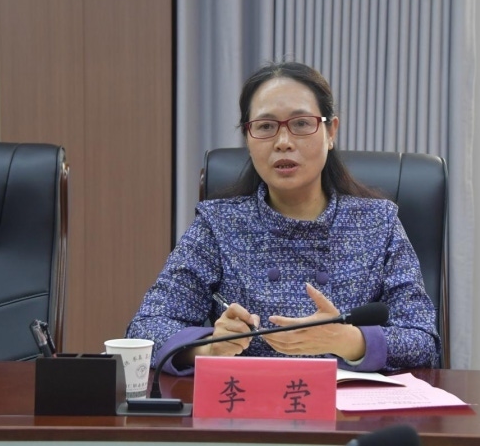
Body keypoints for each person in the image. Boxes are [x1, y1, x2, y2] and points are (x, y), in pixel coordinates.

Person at [126, 61, 440, 376]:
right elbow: (146, 327)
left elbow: (423, 340)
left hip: (349, 405)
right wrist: (209, 347)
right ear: (248, 138)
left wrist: (346, 340)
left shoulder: (378, 223)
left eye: (301, 124)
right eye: (265, 127)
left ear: (331, 132)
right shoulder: (219, 224)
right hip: (250, 400)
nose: (283, 142)